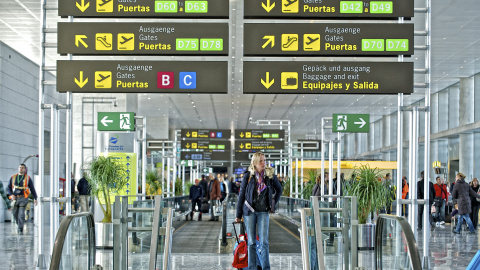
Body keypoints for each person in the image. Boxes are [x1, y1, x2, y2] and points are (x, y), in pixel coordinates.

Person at [235, 152, 282, 270]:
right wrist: (238, 214)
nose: (263, 163)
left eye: (264, 160)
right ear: (254, 163)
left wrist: (272, 204)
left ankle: (266, 268)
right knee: (251, 243)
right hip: (249, 212)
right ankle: (252, 268)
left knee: (264, 242)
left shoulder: (270, 176)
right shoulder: (248, 176)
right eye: (261, 161)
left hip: (263, 212)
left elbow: (279, 190)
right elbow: (241, 196)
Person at [6, 164, 38, 234]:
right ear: (18, 169)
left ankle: (20, 229)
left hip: (24, 198)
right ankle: (19, 225)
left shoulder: (28, 178)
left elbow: (32, 189)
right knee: (14, 213)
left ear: (25, 169)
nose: (21, 169)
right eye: (20, 167)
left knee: (21, 214)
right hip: (15, 199)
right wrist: (11, 195)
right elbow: (8, 187)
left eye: (23, 168)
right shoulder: (13, 177)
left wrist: (35, 198)